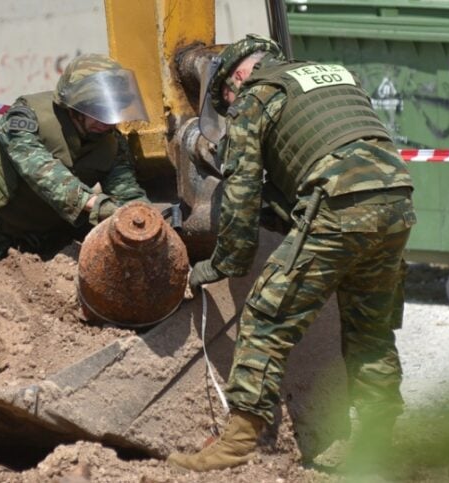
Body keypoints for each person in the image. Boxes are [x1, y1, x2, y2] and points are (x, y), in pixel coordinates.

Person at [167, 34, 416, 472]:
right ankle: (382, 446)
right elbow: (323, 149)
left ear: (237, 77)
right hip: (396, 201)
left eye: (226, 95)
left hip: (338, 205)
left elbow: (241, 199)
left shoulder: (255, 96)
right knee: (370, 330)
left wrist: (220, 264)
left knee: (266, 317)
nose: (230, 102)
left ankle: (236, 446)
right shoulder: (334, 77)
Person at [0, 54, 150, 265]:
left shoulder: (111, 143)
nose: (107, 121)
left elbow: (126, 192)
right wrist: (96, 204)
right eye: (98, 111)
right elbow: (42, 171)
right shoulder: (25, 118)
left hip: (41, 229)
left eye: (113, 110)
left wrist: (147, 219)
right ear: (76, 108)